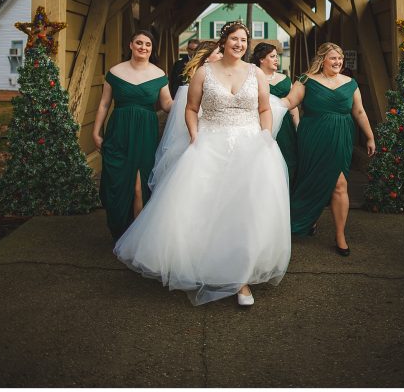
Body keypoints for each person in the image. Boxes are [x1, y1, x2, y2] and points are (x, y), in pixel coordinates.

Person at [114, 21, 291, 307]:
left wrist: (266, 138)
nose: (239, 44)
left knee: (245, 211)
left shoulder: (255, 73)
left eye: (244, 40)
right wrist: (195, 136)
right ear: (224, 41)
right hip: (210, 143)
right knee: (204, 208)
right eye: (234, 39)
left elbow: (264, 109)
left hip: (251, 146)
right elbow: (191, 108)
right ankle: (204, 266)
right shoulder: (204, 73)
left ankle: (241, 278)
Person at [281, 42, 376, 255]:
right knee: (312, 181)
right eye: (333, 58)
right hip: (313, 137)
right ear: (322, 59)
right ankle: (304, 220)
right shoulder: (305, 80)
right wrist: (266, 103)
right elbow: (289, 101)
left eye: (340, 58)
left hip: (341, 136)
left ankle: (340, 235)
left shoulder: (350, 83)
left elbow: (359, 112)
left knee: (340, 183)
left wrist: (370, 137)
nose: (338, 62)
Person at [93, 30, 174, 240]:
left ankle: (136, 235)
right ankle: (119, 228)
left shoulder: (159, 74)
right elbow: (103, 104)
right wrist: (96, 132)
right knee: (117, 181)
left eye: (148, 44)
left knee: (140, 184)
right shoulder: (115, 72)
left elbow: (167, 104)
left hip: (145, 134)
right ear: (130, 45)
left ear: (151, 49)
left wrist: (189, 103)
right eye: (139, 43)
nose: (143, 47)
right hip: (118, 131)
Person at [148, 41, 222, 192]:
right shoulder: (189, 89)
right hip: (199, 139)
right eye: (219, 53)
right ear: (207, 58)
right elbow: (187, 118)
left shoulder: (220, 82)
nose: (222, 55)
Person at [250, 42, 299, 186]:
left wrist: (297, 125)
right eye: (272, 56)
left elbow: (292, 105)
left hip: (285, 127)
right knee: (263, 161)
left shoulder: (285, 79)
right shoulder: (252, 78)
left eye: (276, 56)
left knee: (288, 159)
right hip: (260, 125)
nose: (276, 59)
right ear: (261, 59)